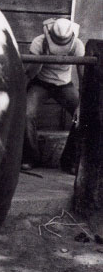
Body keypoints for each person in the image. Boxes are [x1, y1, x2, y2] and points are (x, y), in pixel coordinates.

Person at [22, 18, 84, 170]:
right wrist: (41, 59)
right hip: (41, 83)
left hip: (64, 85)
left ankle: (69, 161)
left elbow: (83, 77)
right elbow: (30, 73)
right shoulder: (39, 42)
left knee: (82, 116)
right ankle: (31, 157)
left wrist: (81, 104)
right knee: (27, 114)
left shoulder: (77, 45)